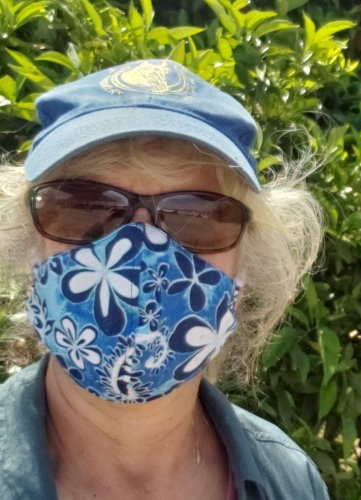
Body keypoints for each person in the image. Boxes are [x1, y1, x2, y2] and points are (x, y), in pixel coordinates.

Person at [0, 59, 327, 499]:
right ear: (30, 241)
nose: (137, 250)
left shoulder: (291, 482)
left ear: (244, 262)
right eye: (85, 208)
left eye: (196, 216)